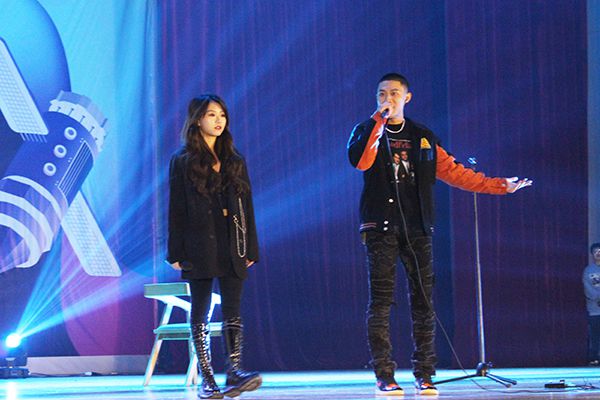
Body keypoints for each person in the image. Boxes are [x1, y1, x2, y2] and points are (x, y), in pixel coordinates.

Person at [347, 73, 532, 396]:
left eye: (394, 93)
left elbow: (456, 173)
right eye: (381, 93)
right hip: (381, 228)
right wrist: (378, 120)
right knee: (381, 302)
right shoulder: (366, 130)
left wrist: (500, 186)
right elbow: (362, 162)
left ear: (407, 97)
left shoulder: (423, 137)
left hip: (418, 228)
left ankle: (425, 374)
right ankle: (385, 375)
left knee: (423, 303)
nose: (387, 98)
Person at [167, 95, 261, 399]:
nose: (219, 120)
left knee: (233, 309)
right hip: (198, 242)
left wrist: (251, 248)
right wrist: (175, 251)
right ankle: (207, 379)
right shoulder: (183, 160)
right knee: (201, 308)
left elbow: (246, 206)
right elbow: (176, 208)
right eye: (211, 115)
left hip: (232, 241)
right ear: (197, 120)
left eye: (222, 115)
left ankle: (234, 370)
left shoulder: (235, 159)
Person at [583, 243, 600, 366]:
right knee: (595, 335)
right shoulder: (588, 271)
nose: (598, 253)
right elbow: (588, 288)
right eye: (596, 252)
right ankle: (594, 358)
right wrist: (598, 297)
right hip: (595, 309)